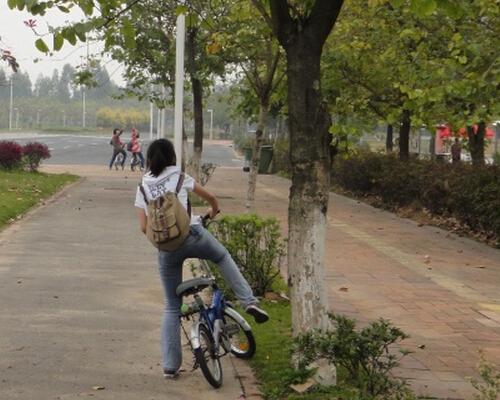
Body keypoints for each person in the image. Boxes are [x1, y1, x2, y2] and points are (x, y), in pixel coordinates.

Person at [134, 139, 269, 379]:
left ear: (149, 158)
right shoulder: (178, 176)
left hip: (166, 249)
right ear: (171, 157)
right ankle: (248, 301)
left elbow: (143, 227)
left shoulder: (143, 185)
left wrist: (164, 241)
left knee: (172, 306)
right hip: (193, 235)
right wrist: (213, 210)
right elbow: (211, 198)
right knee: (221, 255)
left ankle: (170, 366)